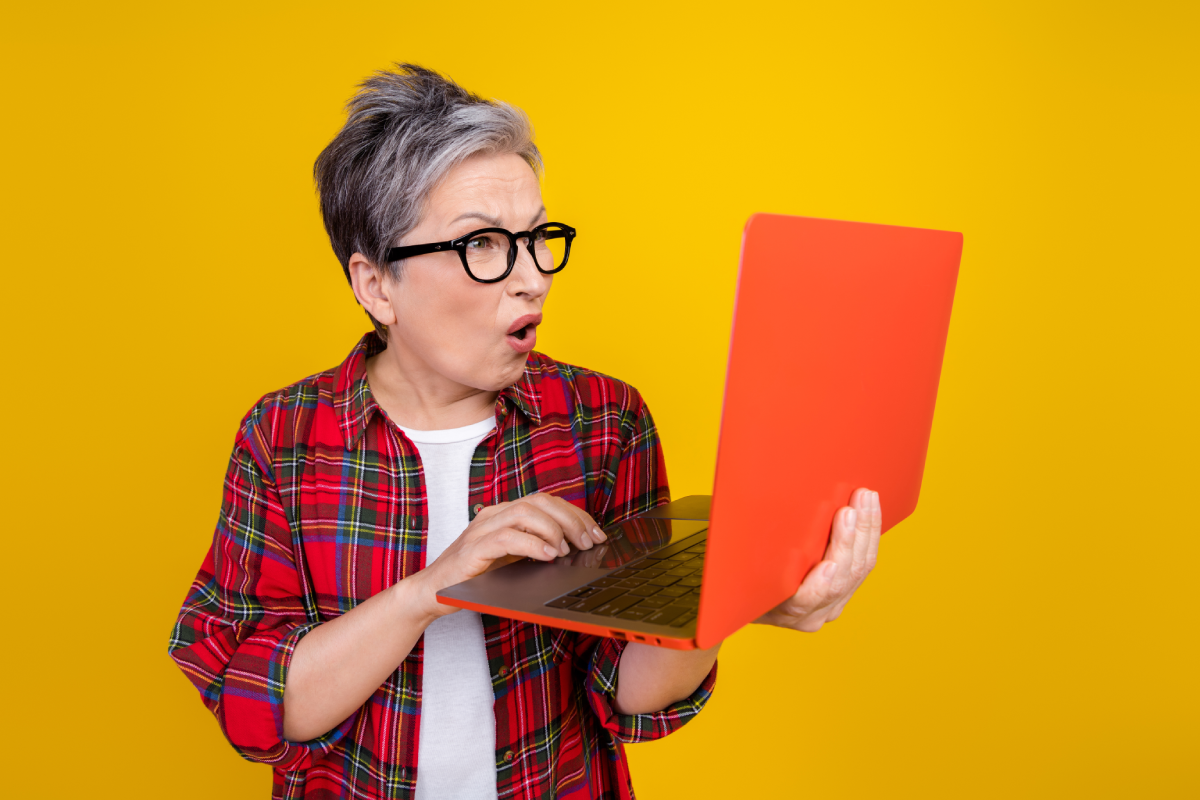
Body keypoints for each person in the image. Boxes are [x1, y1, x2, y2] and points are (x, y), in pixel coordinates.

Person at [168, 63, 882, 800]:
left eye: (537, 236)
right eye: (482, 245)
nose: (533, 276)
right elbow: (260, 706)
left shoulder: (603, 421)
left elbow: (627, 695)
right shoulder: (285, 437)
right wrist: (431, 590)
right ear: (377, 285)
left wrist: (730, 600)